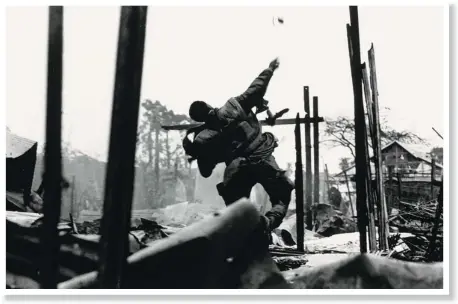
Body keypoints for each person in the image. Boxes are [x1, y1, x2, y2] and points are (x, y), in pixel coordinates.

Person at [183, 58, 294, 241]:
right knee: (282, 196)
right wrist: (270, 69)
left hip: (236, 169)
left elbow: (205, 171)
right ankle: (266, 224)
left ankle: (253, 230)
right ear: (209, 105)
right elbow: (256, 88)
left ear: (199, 120)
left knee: (237, 207)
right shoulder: (234, 106)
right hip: (261, 157)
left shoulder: (203, 138)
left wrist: (196, 151)